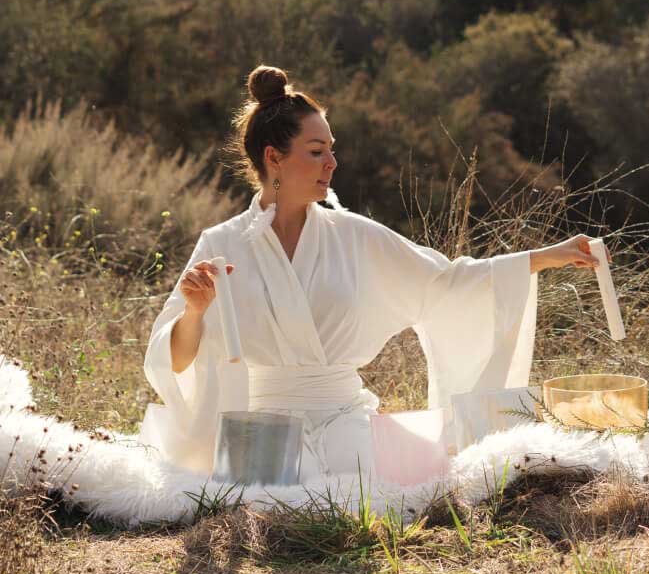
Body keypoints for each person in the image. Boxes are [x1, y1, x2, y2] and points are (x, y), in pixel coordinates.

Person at [139, 64, 600, 479]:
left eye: (332, 151)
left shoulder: (355, 236)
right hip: (262, 430)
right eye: (316, 151)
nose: (332, 164)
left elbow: (445, 281)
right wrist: (195, 312)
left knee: (389, 491)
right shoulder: (221, 245)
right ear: (273, 158)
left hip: (345, 423)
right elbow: (174, 361)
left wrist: (546, 256)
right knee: (267, 504)